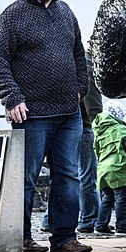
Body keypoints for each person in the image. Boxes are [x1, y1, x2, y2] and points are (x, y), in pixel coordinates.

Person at [0, 0, 93, 252]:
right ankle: (20, 237)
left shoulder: (66, 13)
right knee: (26, 178)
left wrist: (80, 89)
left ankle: (64, 239)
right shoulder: (12, 15)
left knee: (69, 177)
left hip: (68, 114)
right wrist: (11, 97)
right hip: (30, 113)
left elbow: (78, 56)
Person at [40, 44, 104, 235]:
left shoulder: (61, 60)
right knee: (86, 177)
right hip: (82, 126)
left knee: (62, 176)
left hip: (58, 124)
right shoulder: (86, 64)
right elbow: (93, 103)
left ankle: (48, 220)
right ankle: (89, 219)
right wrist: (97, 123)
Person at [93, 102, 126, 235]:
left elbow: (96, 150)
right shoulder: (121, 129)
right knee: (122, 199)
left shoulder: (98, 129)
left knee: (107, 198)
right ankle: (122, 227)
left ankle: (100, 226)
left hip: (103, 169)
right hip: (119, 169)